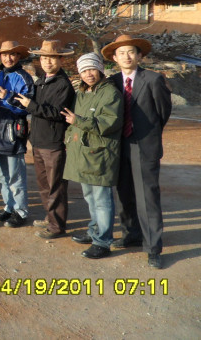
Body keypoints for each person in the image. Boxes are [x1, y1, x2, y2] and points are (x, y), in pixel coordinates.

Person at [102, 34, 172, 269]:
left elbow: (162, 113)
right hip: (118, 145)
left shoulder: (153, 79)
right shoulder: (112, 82)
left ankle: (153, 247)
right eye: (121, 53)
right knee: (124, 193)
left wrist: (147, 135)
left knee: (147, 197)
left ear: (139, 55)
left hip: (144, 145)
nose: (126, 56)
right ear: (114, 58)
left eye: (131, 52)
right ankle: (131, 234)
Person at [61, 53, 123, 259]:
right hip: (84, 153)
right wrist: (69, 140)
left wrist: (78, 121)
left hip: (101, 154)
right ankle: (94, 230)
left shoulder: (110, 93)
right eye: (84, 71)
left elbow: (109, 123)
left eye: (92, 69)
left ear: (100, 69)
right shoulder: (82, 93)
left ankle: (103, 241)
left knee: (102, 199)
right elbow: (73, 122)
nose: (88, 74)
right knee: (89, 197)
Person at [15, 40, 76, 240]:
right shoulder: (41, 80)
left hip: (54, 142)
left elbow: (57, 113)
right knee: (44, 186)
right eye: (44, 58)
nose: (47, 62)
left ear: (60, 60)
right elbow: (35, 107)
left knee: (55, 186)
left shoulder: (63, 84)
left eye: (52, 58)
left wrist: (31, 105)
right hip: (39, 141)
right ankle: (50, 218)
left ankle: (57, 226)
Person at [0, 40, 35, 228]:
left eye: (12, 54)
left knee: (16, 176)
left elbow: (27, 107)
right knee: (2, 176)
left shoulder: (24, 78)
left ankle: (21, 211)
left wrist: (7, 97)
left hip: (13, 131)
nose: (8, 58)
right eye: (4, 54)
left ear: (19, 56)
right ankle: (9, 207)